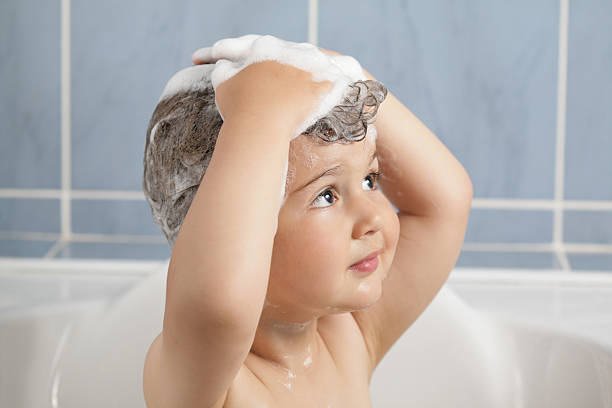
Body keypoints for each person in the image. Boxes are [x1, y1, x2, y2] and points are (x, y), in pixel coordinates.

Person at [142, 37, 473, 408]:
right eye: (326, 195)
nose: (374, 219)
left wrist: (334, 71)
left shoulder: (348, 336)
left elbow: (444, 204)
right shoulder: (206, 378)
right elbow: (219, 307)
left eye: (370, 180)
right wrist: (260, 114)